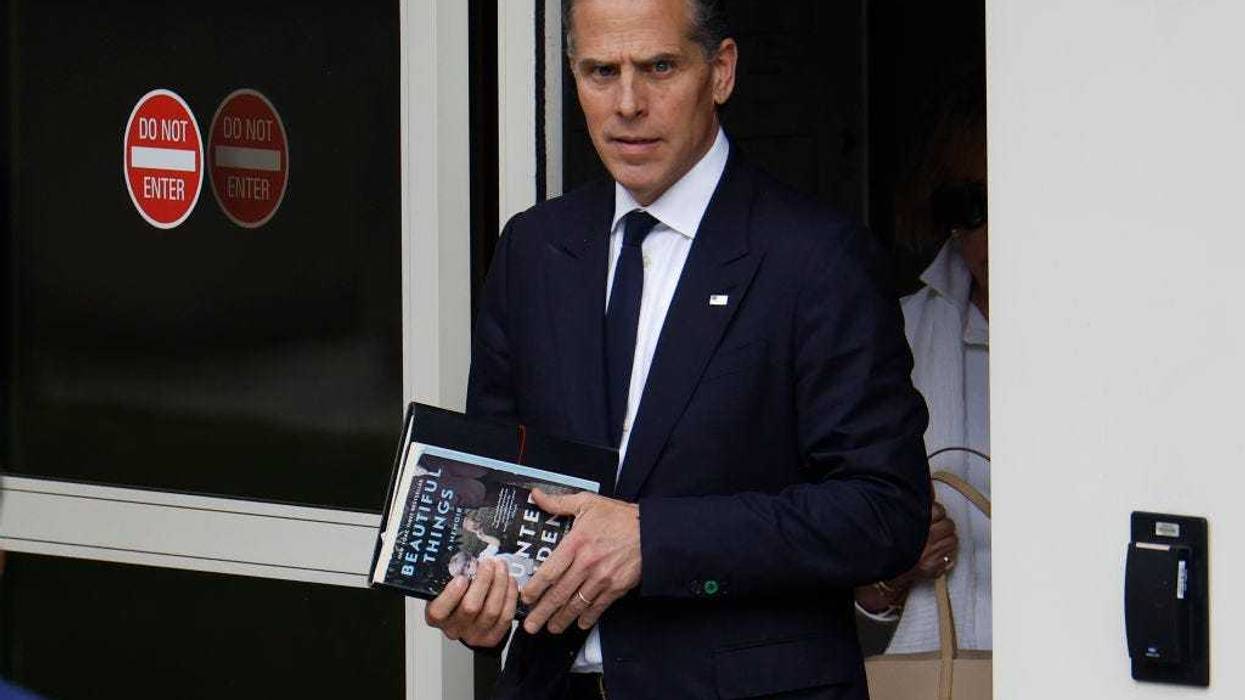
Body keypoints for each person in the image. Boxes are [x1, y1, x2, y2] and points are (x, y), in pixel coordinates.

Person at [426, 0, 932, 697]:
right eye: (600, 72)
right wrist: (479, 594)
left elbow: (882, 513)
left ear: (720, 71)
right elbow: (491, 480)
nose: (627, 104)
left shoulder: (815, 257)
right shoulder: (535, 248)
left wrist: (653, 542)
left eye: (658, 67)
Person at [855, 75, 991, 654]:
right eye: (974, 203)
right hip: (935, 677)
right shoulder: (892, 340)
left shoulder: (1136, 348)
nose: (997, 227)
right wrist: (891, 572)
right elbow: (836, 629)